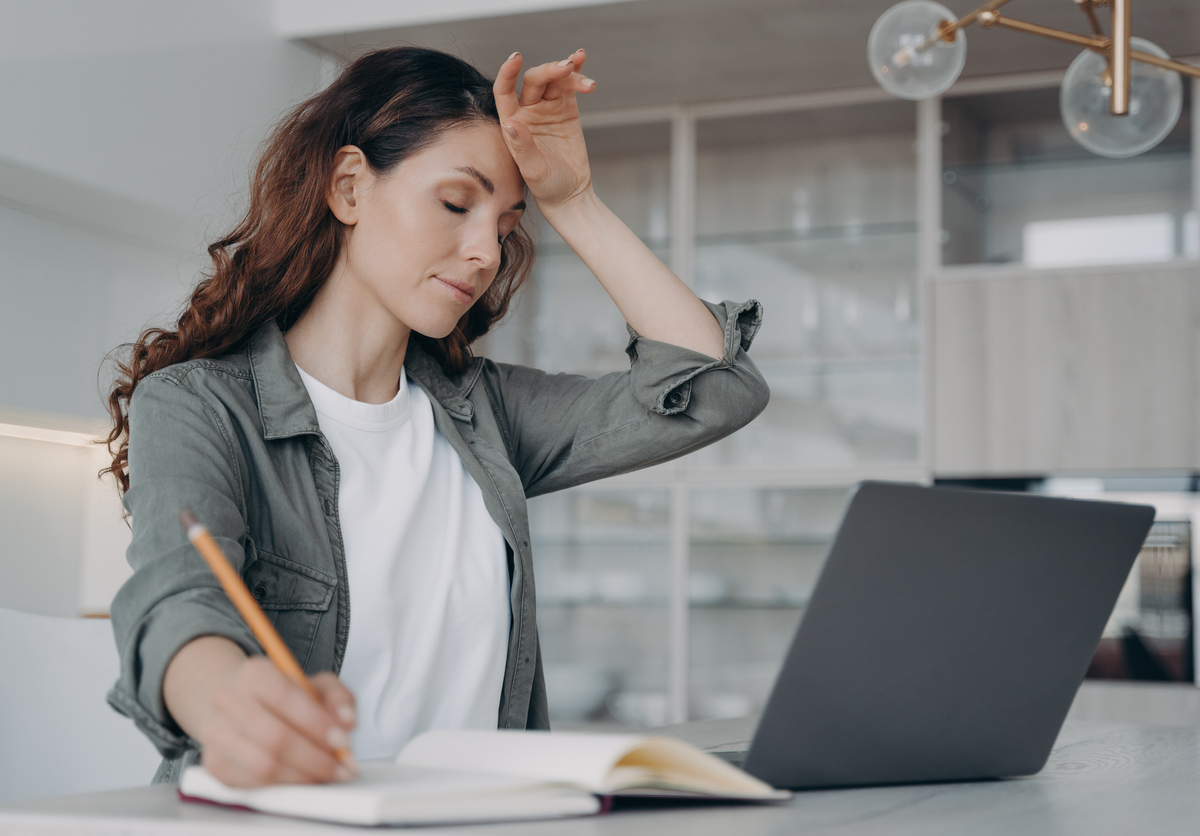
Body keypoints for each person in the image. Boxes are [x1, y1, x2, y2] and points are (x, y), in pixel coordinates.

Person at [103, 46, 768, 789]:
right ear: (350, 186)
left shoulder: (487, 412)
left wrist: (573, 199)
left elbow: (713, 390)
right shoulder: (201, 406)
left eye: (507, 223)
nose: (485, 251)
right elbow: (176, 602)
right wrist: (229, 702)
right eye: (456, 204)